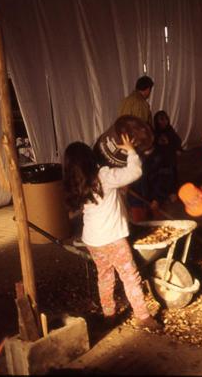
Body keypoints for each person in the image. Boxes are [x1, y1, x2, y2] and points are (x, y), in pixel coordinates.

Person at [63, 134, 160, 330]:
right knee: (130, 276)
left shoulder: (77, 184)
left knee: (105, 276)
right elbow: (135, 171)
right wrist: (131, 151)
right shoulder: (104, 175)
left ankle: (109, 314)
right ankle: (143, 316)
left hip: (93, 240)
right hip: (112, 238)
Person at [153, 110, 183, 203]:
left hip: (170, 159)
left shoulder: (170, 130)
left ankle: (172, 193)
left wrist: (176, 149)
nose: (164, 122)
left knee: (172, 176)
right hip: (159, 160)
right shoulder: (155, 133)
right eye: (161, 120)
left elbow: (177, 141)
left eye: (165, 119)